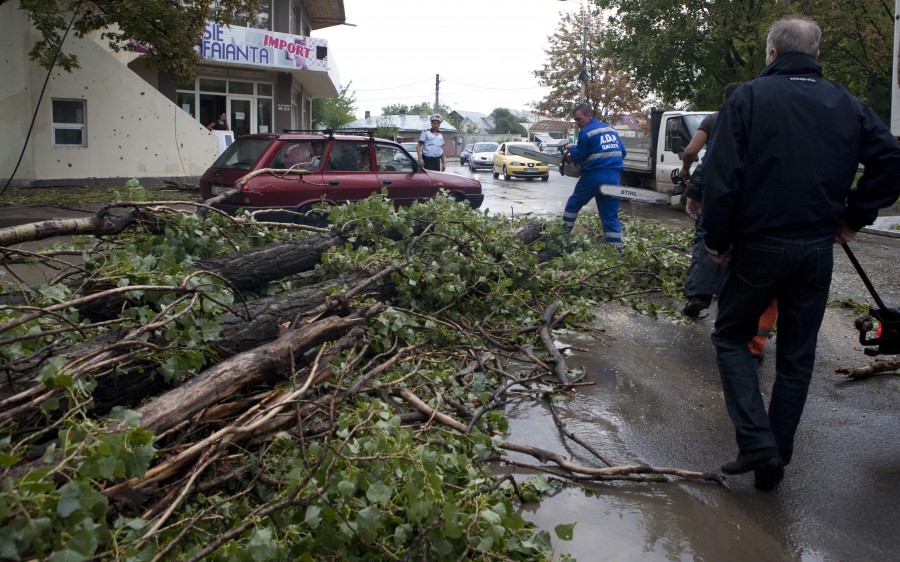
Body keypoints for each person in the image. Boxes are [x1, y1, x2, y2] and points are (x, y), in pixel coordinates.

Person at [700, 15, 900, 492]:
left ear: (771, 53)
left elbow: (722, 177)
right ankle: (775, 460)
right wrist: (854, 216)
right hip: (816, 249)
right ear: (816, 55)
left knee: (730, 337)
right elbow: (891, 158)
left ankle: (755, 440)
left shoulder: (747, 97)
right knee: (796, 357)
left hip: (758, 247)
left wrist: (717, 239)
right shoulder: (847, 103)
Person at [679, 82, 742, 317]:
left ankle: (699, 295)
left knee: (706, 239)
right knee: (739, 245)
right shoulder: (757, 120)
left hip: (713, 189)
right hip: (744, 193)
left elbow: (691, 151)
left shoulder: (713, 120)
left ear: (725, 99)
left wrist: (686, 169)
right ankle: (729, 299)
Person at [563, 103, 626, 250]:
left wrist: (571, 155)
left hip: (594, 176)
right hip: (613, 177)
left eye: (579, 119)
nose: (577, 124)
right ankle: (617, 252)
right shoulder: (611, 130)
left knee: (574, 204)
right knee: (610, 216)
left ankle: (562, 235)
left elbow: (579, 156)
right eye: (575, 120)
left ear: (589, 115)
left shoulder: (586, 132)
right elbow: (622, 152)